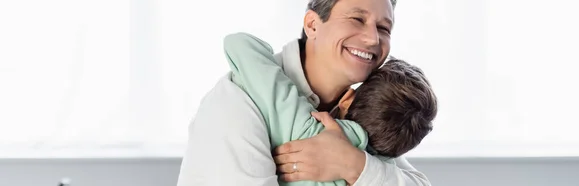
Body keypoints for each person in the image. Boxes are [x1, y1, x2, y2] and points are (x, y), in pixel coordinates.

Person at [177, 0, 433, 185]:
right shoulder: (238, 101)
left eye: (384, 28)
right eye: (357, 18)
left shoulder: (357, 115)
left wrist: (353, 164)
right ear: (312, 24)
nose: (372, 39)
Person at [223, 31, 437, 164]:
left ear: (347, 100)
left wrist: (281, 74)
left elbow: (238, 43)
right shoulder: (379, 167)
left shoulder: (304, 128)